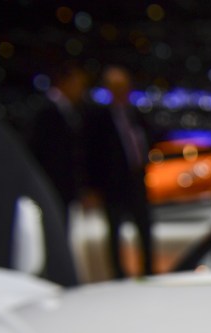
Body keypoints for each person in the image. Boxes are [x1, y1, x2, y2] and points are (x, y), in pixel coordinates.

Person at [86, 65, 154, 278]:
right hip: (113, 185)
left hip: (136, 179)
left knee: (144, 227)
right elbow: (92, 156)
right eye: (116, 86)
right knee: (114, 232)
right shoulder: (100, 119)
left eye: (124, 85)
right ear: (108, 89)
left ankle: (148, 269)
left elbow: (147, 140)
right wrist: (93, 188)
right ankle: (118, 273)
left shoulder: (136, 115)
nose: (122, 90)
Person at [29, 62, 89, 234]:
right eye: (78, 84)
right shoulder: (45, 111)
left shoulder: (70, 111)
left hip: (64, 187)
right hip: (51, 186)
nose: (81, 90)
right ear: (65, 82)